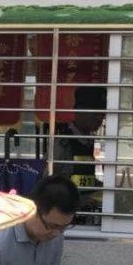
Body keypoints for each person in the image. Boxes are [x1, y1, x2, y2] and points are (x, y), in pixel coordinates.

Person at [52, 85, 104, 219]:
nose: (100, 119)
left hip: (85, 211)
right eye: (96, 113)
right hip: (67, 214)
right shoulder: (64, 142)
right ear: (80, 111)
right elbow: (50, 182)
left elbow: (85, 178)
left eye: (102, 114)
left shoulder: (88, 142)